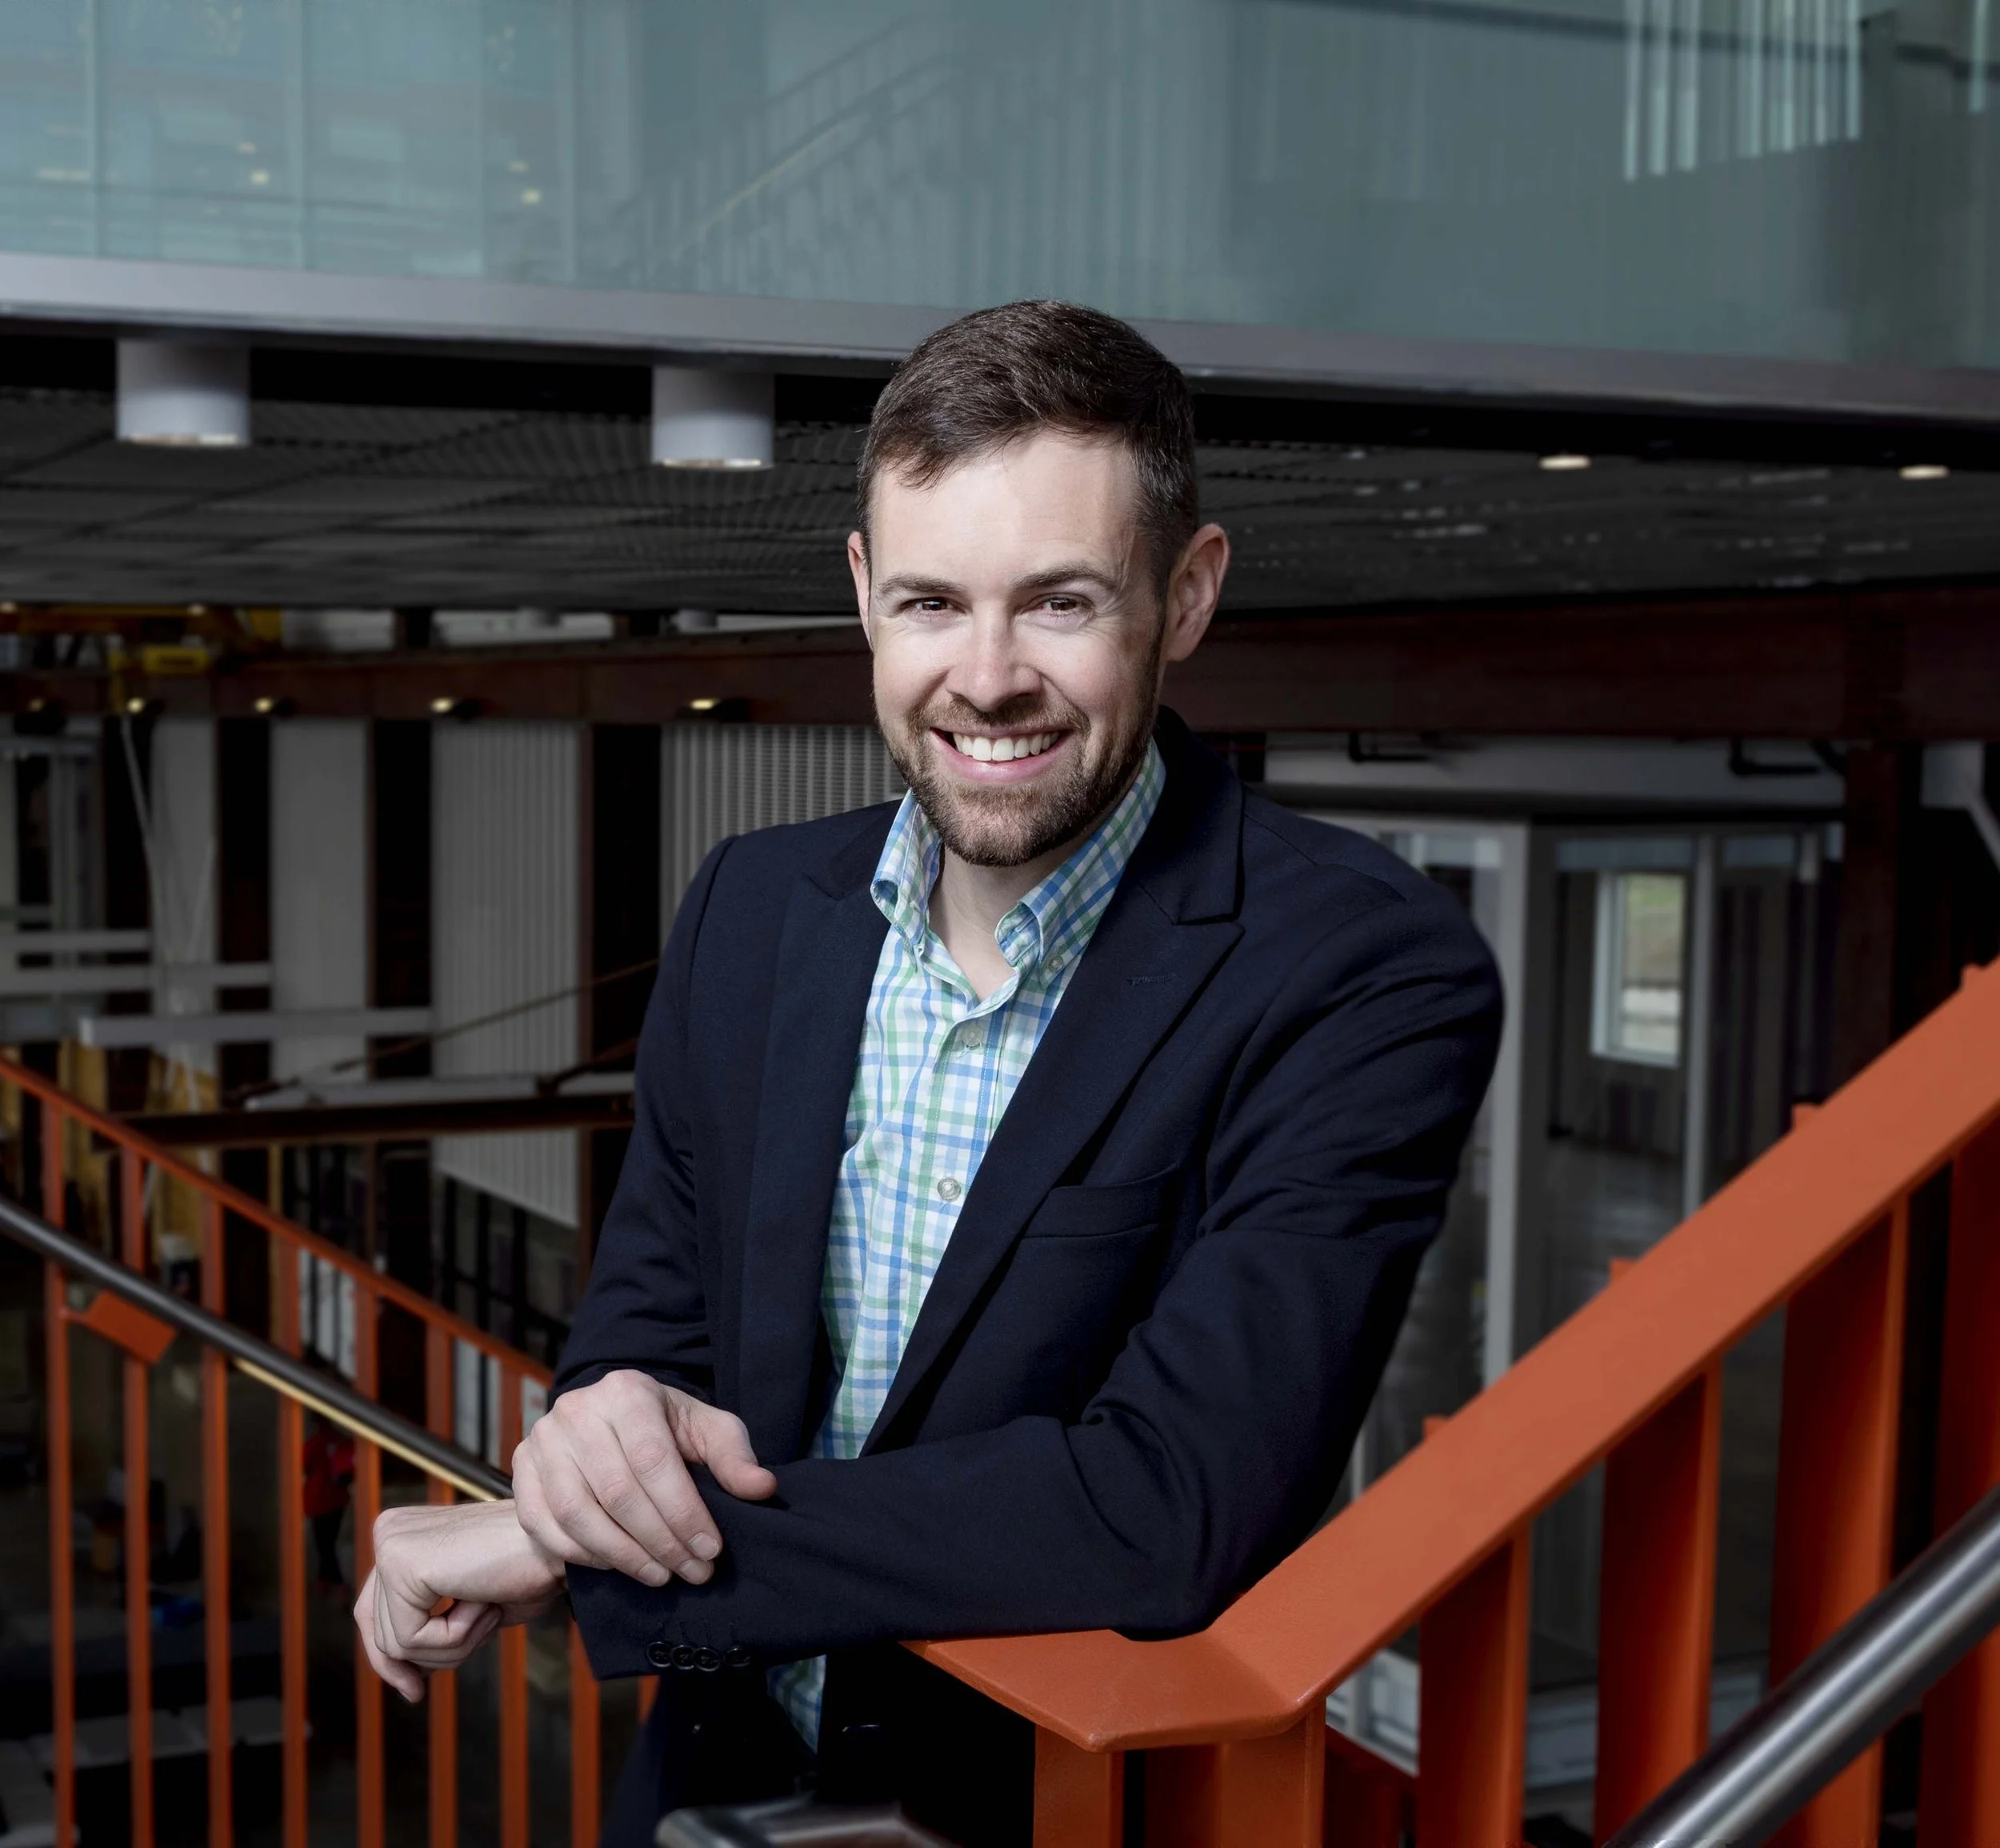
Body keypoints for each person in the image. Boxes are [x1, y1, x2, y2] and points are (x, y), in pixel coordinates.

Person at [354, 301, 1501, 1847]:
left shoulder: (1361, 970)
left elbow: (1166, 1507)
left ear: (1188, 595)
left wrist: (575, 1552)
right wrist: (596, 1436)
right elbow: (650, 1322)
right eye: (931, 603)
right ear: (862, 597)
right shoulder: (753, 909)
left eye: (1061, 602)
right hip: (714, 1774)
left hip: (1064, 1802)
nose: (989, 675)